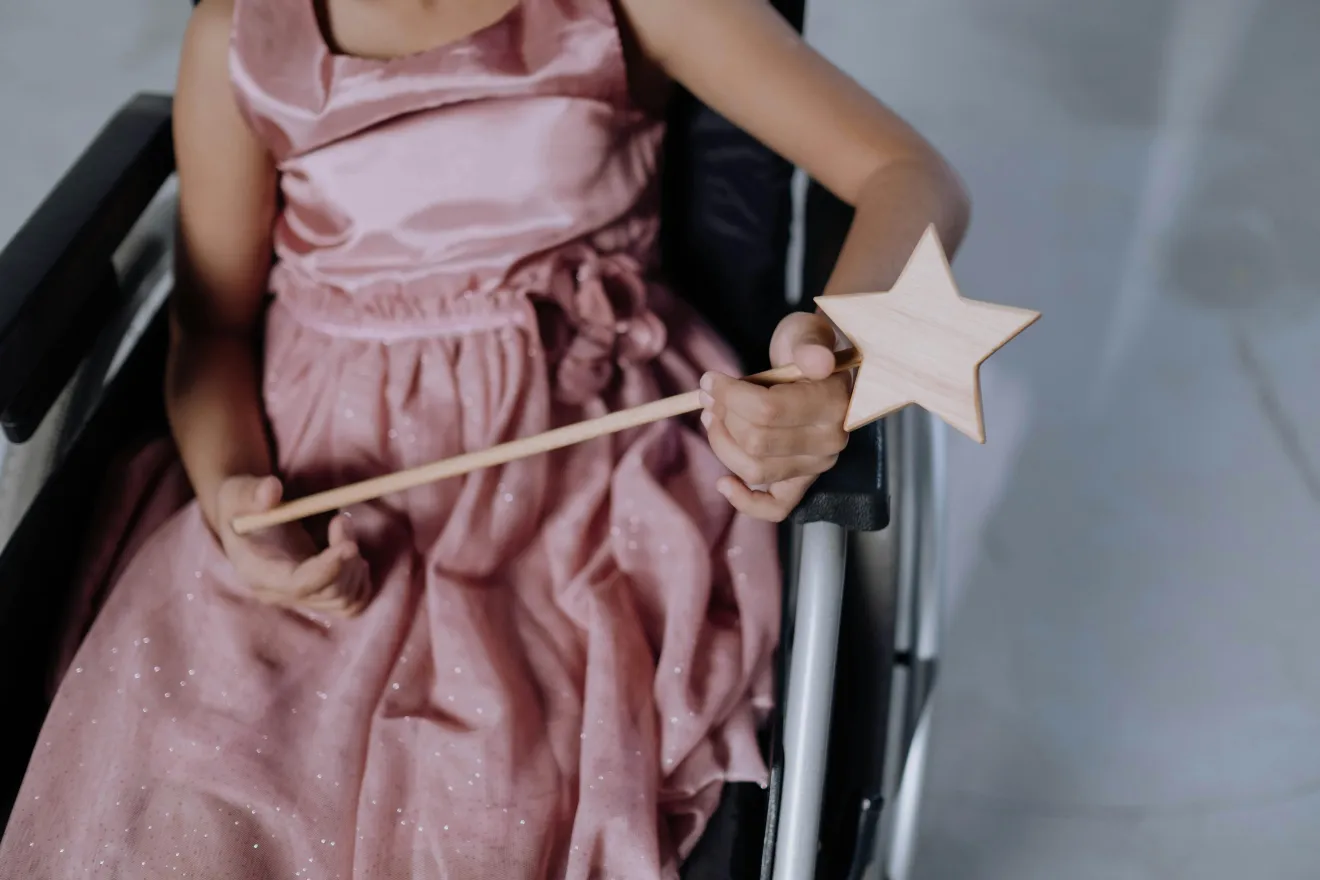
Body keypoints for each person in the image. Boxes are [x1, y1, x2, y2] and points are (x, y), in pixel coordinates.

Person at [0, 0, 968, 876]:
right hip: (320, 460)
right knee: (194, 794)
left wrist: (842, 358)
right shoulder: (242, 35)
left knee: (489, 803)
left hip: (581, 458)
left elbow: (908, 174)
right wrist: (233, 498)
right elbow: (213, 326)